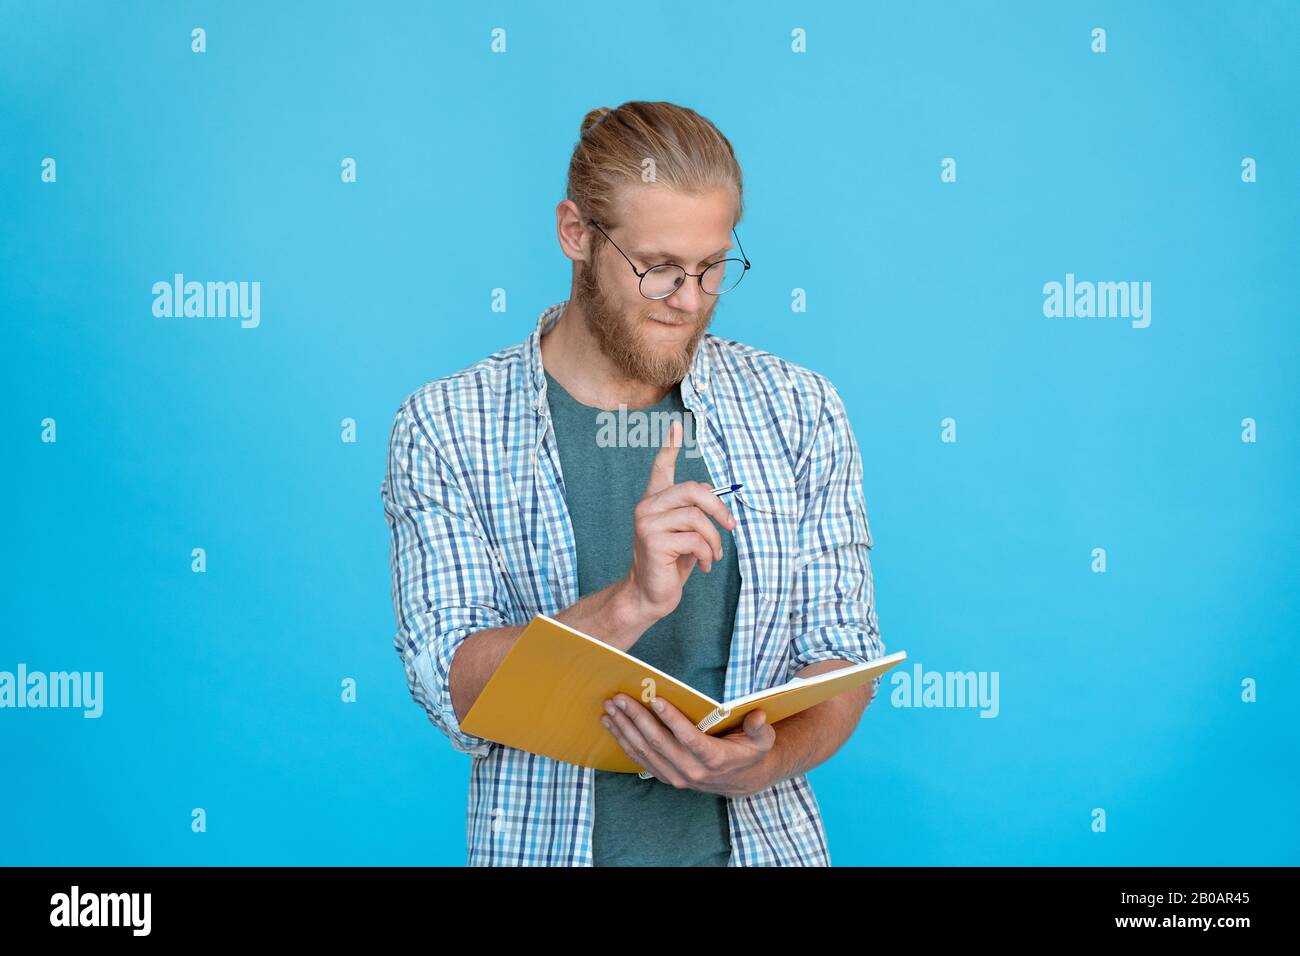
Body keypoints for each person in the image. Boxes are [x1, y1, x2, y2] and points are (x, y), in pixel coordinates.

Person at [380, 100, 885, 866]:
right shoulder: (446, 426)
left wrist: (764, 762)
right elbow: (455, 689)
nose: (689, 300)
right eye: (658, 269)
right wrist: (630, 603)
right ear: (576, 234)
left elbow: (842, 653)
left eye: (713, 267)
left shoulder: (799, 409)